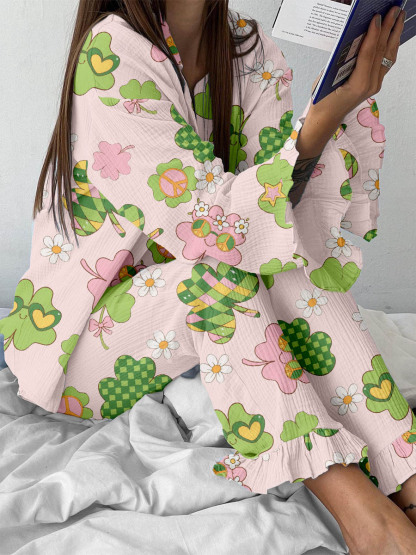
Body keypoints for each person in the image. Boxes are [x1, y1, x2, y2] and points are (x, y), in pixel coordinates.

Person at [1, 1, 415, 552]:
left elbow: (273, 211)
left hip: (180, 313)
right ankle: (365, 520)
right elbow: (206, 225)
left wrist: (340, 102)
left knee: (284, 261)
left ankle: (408, 475)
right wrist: (321, 119)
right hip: (82, 345)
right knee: (215, 279)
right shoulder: (111, 50)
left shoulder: (246, 45)